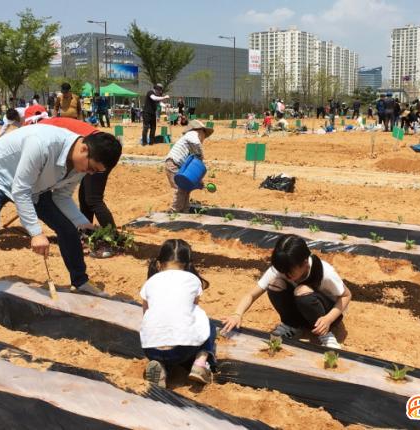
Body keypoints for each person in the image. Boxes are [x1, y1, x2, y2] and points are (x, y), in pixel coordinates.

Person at [0, 123, 123, 332]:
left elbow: (61, 197)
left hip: (34, 187)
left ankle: (80, 282)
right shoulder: (42, 143)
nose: (90, 173)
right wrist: (35, 232)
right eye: (91, 168)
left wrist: (83, 224)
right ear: (84, 149)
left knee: (68, 229)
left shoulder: (80, 166)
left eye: (95, 172)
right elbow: (20, 190)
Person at [221, 234, 351, 348]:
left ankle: (325, 335)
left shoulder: (325, 272)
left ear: (305, 263)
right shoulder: (282, 269)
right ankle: (292, 325)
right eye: (283, 271)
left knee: (302, 290)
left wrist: (328, 319)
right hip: (302, 311)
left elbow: (346, 295)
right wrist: (237, 314)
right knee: (275, 284)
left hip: (327, 315)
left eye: (290, 272)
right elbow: (251, 295)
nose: (286, 275)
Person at [141, 239, 216, 387]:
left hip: (151, 349)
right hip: (182, 351)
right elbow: (191, 314)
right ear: (187, 265)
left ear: (159, 263)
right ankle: (200, 363)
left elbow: (145, 315)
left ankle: (161, 366)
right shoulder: (193, 280)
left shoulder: (149, 283)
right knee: (207, 324)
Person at [39, 116, 117, 231]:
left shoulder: (41, 131)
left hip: (96, 153)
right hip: (97, 150)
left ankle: (112, 236)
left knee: (93, 199)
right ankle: (86, 231)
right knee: (85, 197)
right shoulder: (48, 125)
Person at [163, 120, 213, 212]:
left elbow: (192, 167)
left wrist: (198, 180)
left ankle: (185, 209)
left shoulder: (190, 143)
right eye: (204, 134)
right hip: (173, 163)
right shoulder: (192, 134)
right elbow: (197, 144)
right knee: (181, 187)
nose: (204, 138)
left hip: (179, 165)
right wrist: (201, 157)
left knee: (186, 187)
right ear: (199, 130)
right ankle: (174, 210)